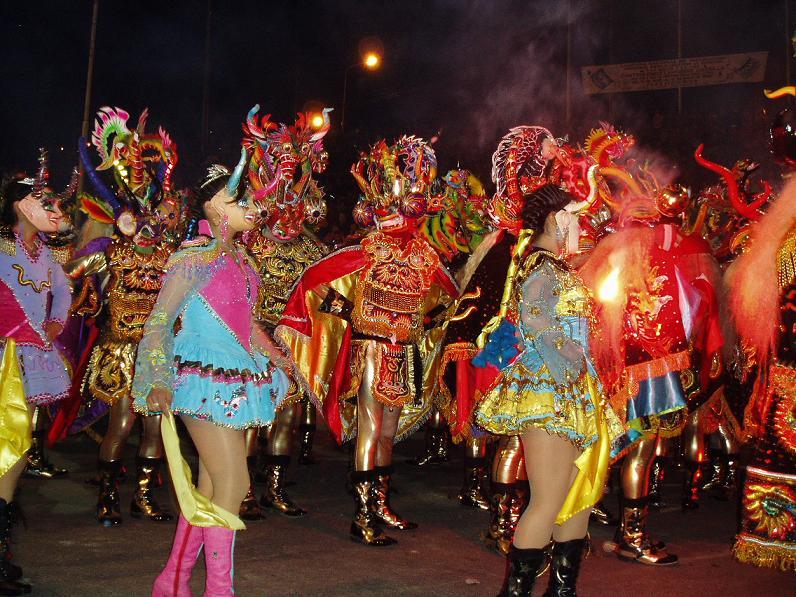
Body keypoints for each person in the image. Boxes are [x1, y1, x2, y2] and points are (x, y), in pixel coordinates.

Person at [132, 160, 289, 595]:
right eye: (244, 200)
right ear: (217, 205)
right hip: (201, 378)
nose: (255, 208)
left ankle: (173, 581)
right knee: (235, 483)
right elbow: (159, 321)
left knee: (210, 487)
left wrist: (279, 358)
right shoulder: (193, 258)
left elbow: (246, 325)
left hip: (234, 377)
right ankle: (219, 590)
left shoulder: (241, 259)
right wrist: (157, 377)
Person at [475, 184, 623, 596]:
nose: (580, 228)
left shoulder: (556, 267)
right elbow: (536, 320)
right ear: (557, 220)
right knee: (548, 499)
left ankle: (563, 590)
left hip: (573, 390)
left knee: (577, 498)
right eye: (575, 219)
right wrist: (573, 359)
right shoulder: (540, 267)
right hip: (549, 389)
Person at [0, 152, 77, 595]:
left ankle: (1, 549)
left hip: (30, 360)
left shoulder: (46, 254)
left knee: (18, 448)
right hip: (3, 358)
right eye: (48, 202)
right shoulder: (0, 247)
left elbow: (64, 294)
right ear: (20, 204)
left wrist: (53, 326)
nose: (57, 211)